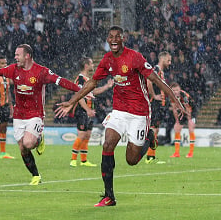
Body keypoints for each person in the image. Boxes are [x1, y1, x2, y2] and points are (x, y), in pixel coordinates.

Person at [55, 26, 185, 207]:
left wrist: (175, 101)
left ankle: (149, 137)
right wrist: (72, 100)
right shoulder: (107, 59)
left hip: (139, 112)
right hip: (119, 110)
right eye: (111, 37)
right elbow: (93, 82)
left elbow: (156, 79)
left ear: (123, 39)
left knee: (131, 160)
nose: (114, 40)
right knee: (107, 144)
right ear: (107, 40)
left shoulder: (135, 57)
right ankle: (109, 196)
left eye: (117, 37)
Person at [0, 44, 81, 185]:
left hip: (35, 113)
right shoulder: (13, 70)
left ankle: (39, 138)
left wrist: (81, 90)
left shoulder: (41, 72)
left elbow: (61, 81)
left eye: (18, 55)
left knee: (28, 143)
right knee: (22, 148)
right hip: (19, 114)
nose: (15, 57)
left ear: (27, 56)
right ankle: (36, 175)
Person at [69, 57, 113, 167]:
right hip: (82, 110)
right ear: (86, 65)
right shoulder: (80, 79)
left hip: (88, 110)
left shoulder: (88, 79)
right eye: (91, 64)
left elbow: (94, 92)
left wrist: (107, 86)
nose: (93, 66)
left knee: (87, 135)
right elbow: (78, 96)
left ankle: (84, 160)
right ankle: (73, 159)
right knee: (82, 134)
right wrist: (87, 109)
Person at [144, 51, 171, 164]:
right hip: (155, 104)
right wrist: (153, 96)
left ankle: (151, 156)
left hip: (158, 105)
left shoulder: (160, 71)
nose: (170, 63)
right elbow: (148, 81)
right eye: (168, 60)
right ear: (162, 59)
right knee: (154, 129)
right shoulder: (156, 69)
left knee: (155, 129)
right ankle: (150, 157)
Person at [169, 83, 196, 158]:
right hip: (181, 110)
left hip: (191, 111)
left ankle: (191, 153)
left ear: (179, 89)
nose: (175, 92)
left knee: (191, 128)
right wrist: (177, 120)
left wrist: (189, 119)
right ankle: (177, 153)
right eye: (173, 90)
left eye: (177, 90)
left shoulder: (184, 95)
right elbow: (174, 109)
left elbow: (188, 108)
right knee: (177, 128)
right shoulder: (171, 95)